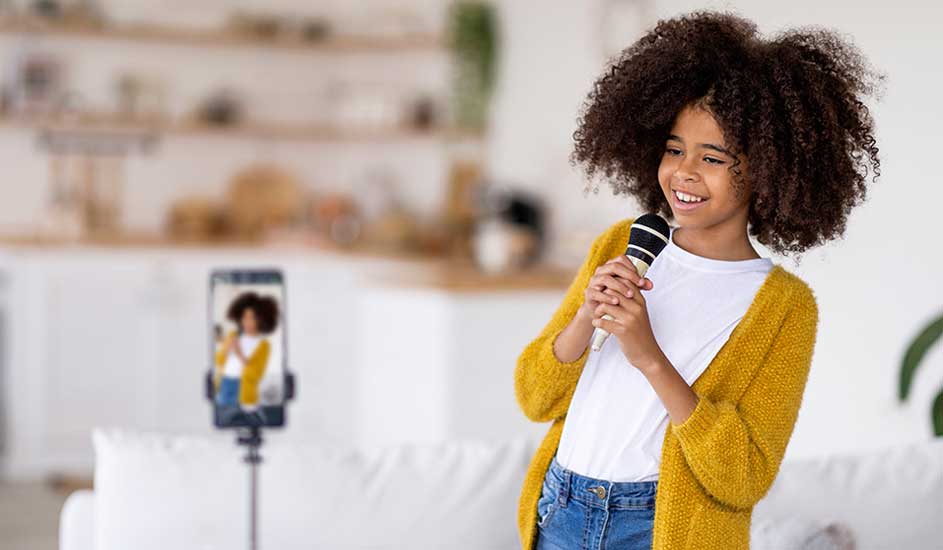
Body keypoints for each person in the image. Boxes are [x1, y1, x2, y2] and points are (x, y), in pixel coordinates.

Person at [514, 9, 883, 550]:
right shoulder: (621, 243)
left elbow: (744, 477)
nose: (683, 172)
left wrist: (648, 356)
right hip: (559, 509)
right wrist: (584, 319)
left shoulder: (783, 306)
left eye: (712, 157)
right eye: (673, 148)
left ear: (767, 170)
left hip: (658, 527)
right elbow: (533, 397)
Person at [214, 291, 279, 426]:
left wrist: (239, 353)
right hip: (225, 383)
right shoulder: (233, 335)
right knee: (223, 420)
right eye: (244, 317)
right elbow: (219, 361)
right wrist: (226, 349)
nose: (247, 322)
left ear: (261, 319)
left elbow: (256, 373)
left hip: (244, 389)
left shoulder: (264, 345)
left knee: (244, 420)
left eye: (252, 318)